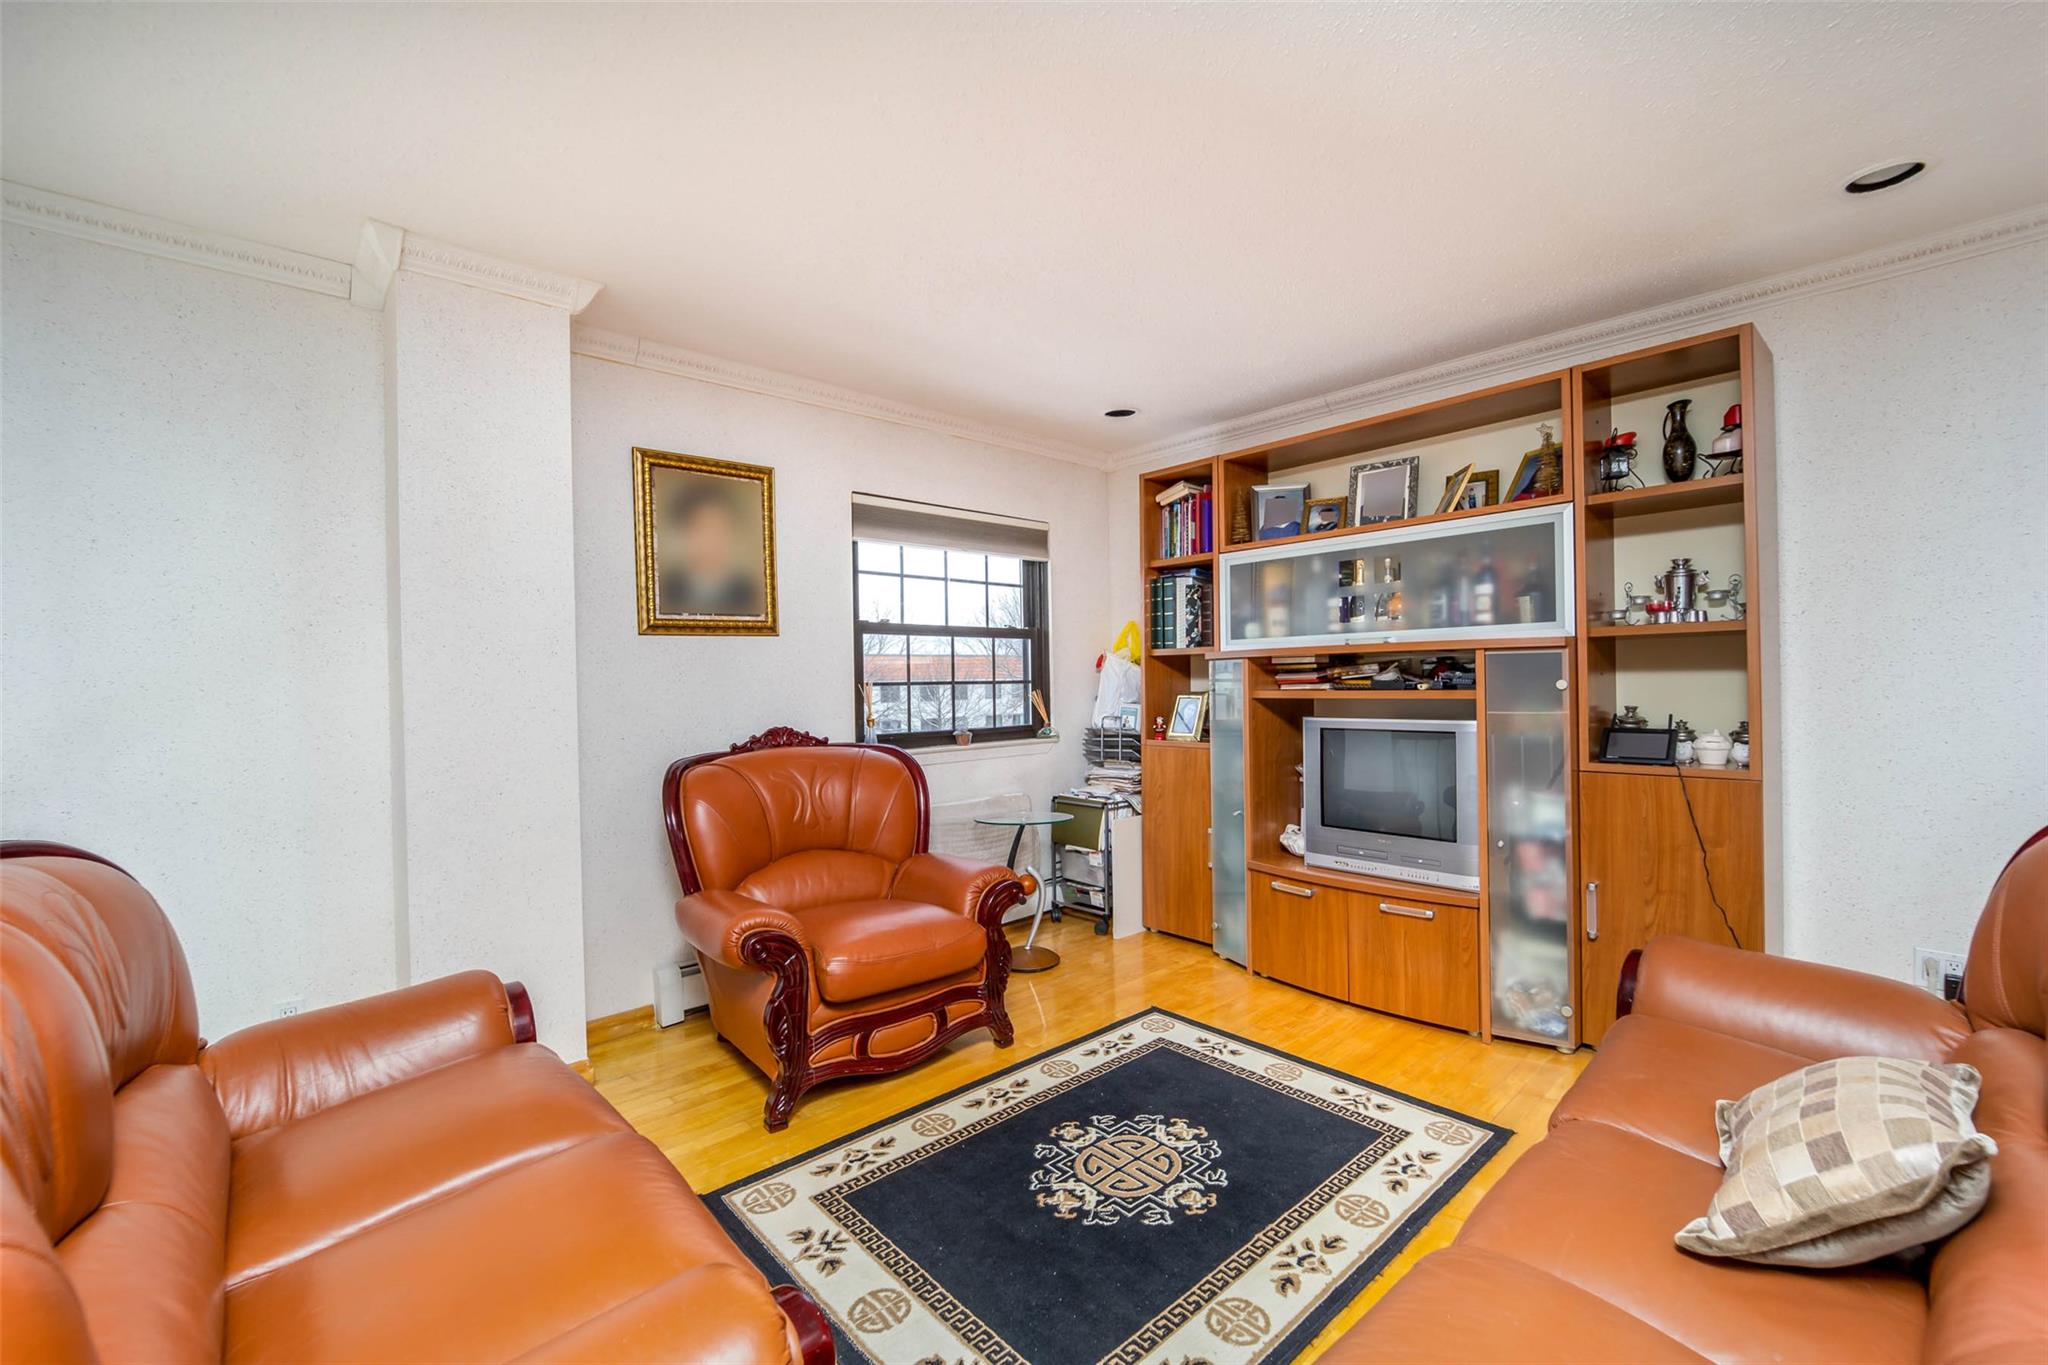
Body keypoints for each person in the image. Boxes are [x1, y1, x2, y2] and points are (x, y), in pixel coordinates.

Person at [656, 474, 765, 618]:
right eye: (702, 528)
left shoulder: (749, 592)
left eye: (720, 529)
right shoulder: (664, 589)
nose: (712, 540)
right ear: (687, 534)